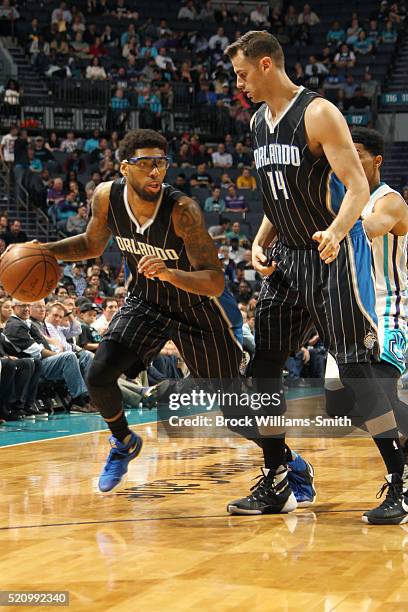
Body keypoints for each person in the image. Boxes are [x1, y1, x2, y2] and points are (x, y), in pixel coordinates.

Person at [226, 30, 407, 524]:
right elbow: (277, 192)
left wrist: (336, 230)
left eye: (243, 73)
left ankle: (401, 480)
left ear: (267, 64)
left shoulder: (319, 113)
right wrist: (260, 239)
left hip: (331, 256)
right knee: (261, 367)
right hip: (288, 258)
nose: (238, 83)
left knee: (355, 372)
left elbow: (353, 187)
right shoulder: (259, 121)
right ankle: (279, 478)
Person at [25, 128, 242, 493]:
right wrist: (47, 251)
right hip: (146, 303)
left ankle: (286, 462)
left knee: (237, 412)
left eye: (161, 163)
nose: (156, 171)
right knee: (98, 376)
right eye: (146, 164)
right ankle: (124, 442)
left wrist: (172, 273)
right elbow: (92, 244)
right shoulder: (107, 197)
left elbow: (215, 281)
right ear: (125, 167)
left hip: (195, 309)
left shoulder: (183, 210)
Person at [326, 127, 408, 462]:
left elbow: (372, 227)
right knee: (339, 406)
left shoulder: (391, 201)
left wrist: (336, 223)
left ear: (376, 161)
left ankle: (397, 475)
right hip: (352, 314)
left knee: (378, 390)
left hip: (388, 311)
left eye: (356, 152)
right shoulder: (341, 201)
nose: (348, 158)